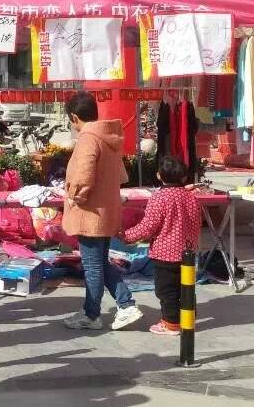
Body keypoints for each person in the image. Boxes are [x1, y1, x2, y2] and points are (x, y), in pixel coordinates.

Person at [62, 91, 144, 331]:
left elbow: (83, 176)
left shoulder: (88, 138)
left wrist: (73, 195)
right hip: (106, 209)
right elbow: (121, 175)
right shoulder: (108, 137)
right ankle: (125, 305)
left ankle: (93, 314)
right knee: (99, 262)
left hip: (90, 213)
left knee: (93, 265)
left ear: (74, 117)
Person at [121, 155, 202, 335]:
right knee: (186, 288)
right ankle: (188, 319)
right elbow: (196, 223)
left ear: (159, 175)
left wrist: (126, 236)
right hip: (188, 252)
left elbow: (148, 226)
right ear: (183, 176)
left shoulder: (159, 198)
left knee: (167, 291)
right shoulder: (191, 197)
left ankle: (171, 323)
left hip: (165, 253)